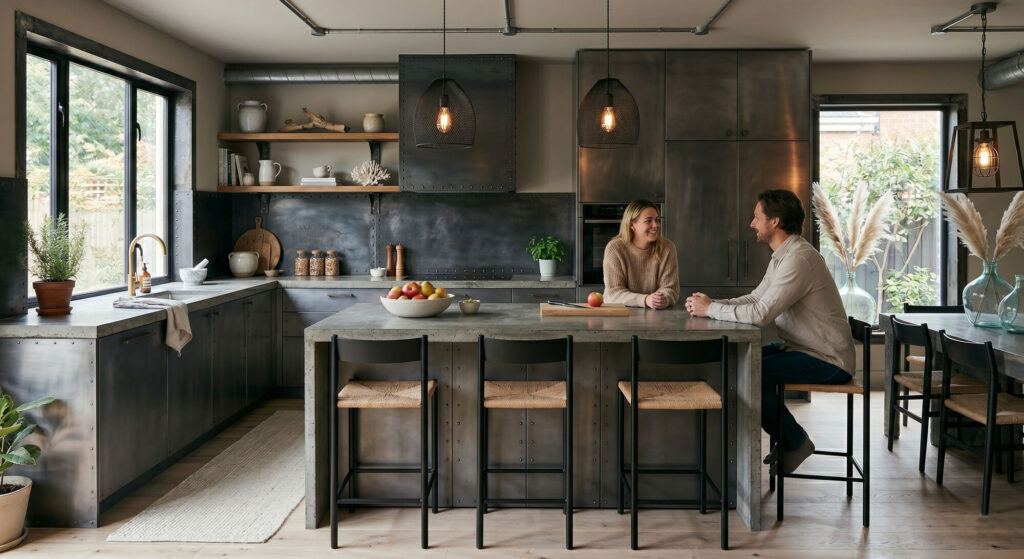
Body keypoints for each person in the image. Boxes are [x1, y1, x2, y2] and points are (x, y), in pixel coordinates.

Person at [685, 189, 855, 475]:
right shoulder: (784, 256)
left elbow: (761, 314)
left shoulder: (799, 259)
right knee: (738, 364)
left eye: (756, 217)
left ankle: (795, 441)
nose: (752, 223)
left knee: (747, 372)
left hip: (827, 360)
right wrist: (713, 304)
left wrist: (711, 309)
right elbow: (756, 298)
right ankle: (786, 442)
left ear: (774, 222)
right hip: (803, 349)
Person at [603, 199, 679, 309]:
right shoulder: (615, 248)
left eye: (657, 220)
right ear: (631, 225)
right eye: (648, 221)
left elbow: (670, 288)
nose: (656, 225)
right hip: (619, 315)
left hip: (656, 316)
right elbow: (614, 293)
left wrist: (663, 298)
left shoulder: (668, 248)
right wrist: (645, 300)